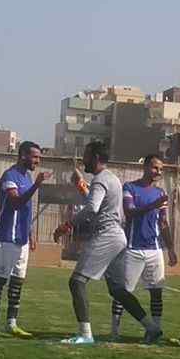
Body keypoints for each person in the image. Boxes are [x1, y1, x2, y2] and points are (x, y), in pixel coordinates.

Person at [58, 139, 126, 346]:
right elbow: (97, 204)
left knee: (76, 282)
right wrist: (81, 187)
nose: (83, 160)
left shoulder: (100, 179)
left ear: (95, 158)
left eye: (86, 156)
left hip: (106, 235)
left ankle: (85, 334)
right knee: (118, 290)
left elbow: (92, 208)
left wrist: (67, 225)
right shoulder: (111, 178)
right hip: (118, 236)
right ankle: (151, 326)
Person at [107, 153, 166, 342]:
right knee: (123, 292)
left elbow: (163, 222)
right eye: (155, 167)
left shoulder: (160, 193)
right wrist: (153, 205)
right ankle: (115, 331)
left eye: (161, 169)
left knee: (156, 292)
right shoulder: (130, 187)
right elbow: (129, 212)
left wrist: (171, 248)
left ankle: (155, 331)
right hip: (133, 248)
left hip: (154, 249)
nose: (158, 172)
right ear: (146, 167)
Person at [0, 140, 44, 336]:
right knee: (0, 279)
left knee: (18, 281)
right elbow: (16, 202)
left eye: (39, 157)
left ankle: (11, 324)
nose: (38, 161)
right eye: (35, 157)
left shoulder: (27, 177)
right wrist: (36, 186)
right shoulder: (9, 176)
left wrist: (30, 231)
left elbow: (26, 209)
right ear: (23, 156)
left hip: (22, 238)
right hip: (7, 237)